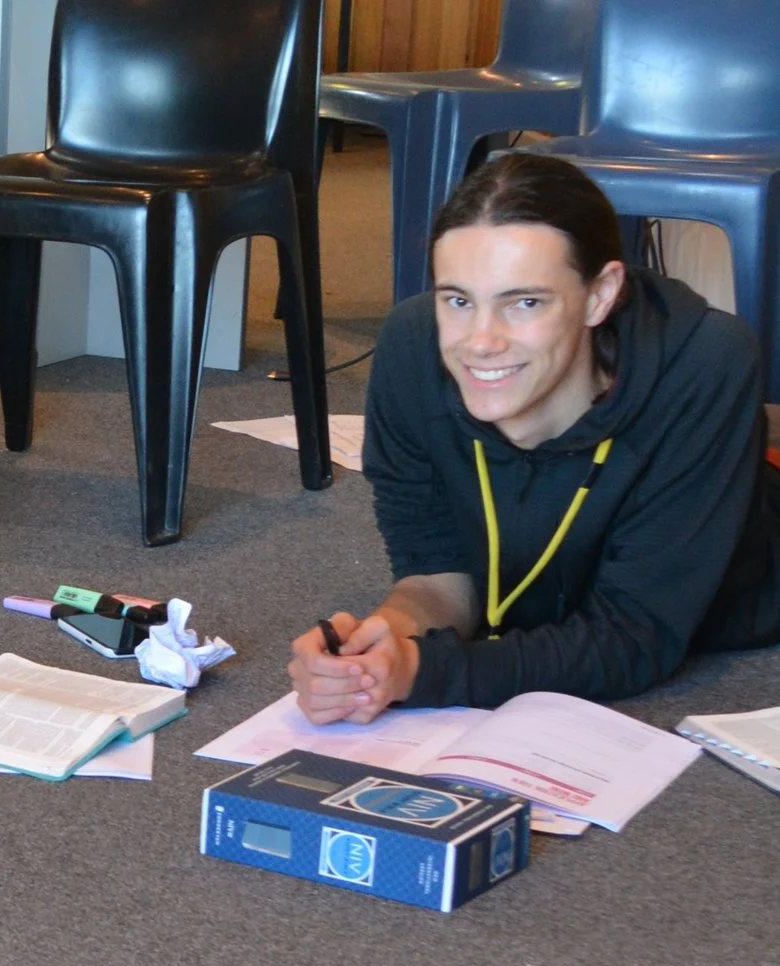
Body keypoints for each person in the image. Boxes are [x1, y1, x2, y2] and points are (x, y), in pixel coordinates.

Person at [288, 153, 780, 720]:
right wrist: (382, 643)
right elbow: (437, 572)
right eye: (458, 300)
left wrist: (429, 671)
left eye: (525, 302)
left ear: (600, 295)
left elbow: (636, 636)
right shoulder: (411, 346)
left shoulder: (705, 364)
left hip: (731, 605)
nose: (481, 341)